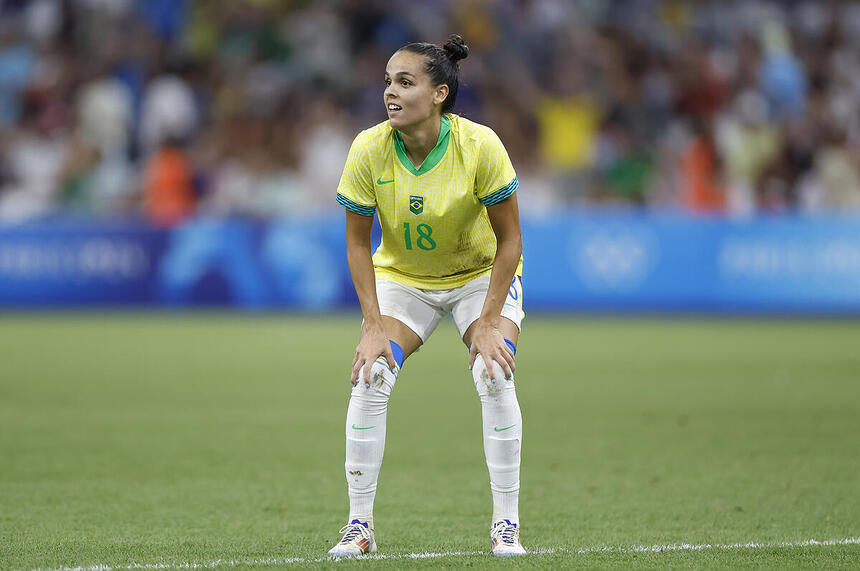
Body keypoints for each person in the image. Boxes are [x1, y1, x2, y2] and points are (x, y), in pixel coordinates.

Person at [329, 34, 526, 557]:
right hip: (406, 280)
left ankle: (506, 526)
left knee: (493, 369)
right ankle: (358, 527)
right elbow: (356, 241)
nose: (390, 92)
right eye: (388, 81)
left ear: (440, 93)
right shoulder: (369, 147)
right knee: (370, 374)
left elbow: (510, 241)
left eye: (405, 82)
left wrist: (486, 321)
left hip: (480, 275)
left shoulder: (479, 146)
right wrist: (372, 324)